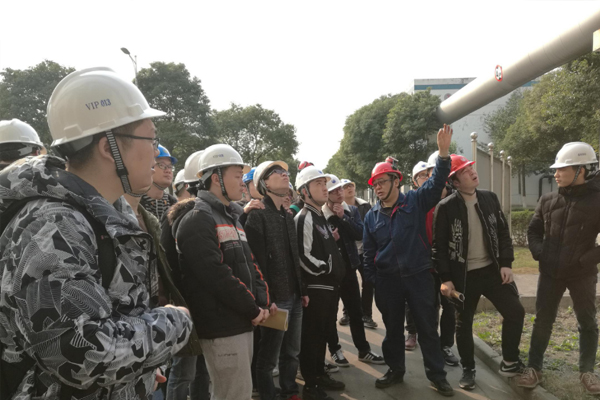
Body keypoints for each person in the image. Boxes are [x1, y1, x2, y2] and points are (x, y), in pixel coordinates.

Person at [0, 67, 192, 399]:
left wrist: (138, 369)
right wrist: (175, 322)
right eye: (151, 139)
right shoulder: (54, 225)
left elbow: (118, 320)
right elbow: (83, 355)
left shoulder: (105, 214)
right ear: (108, 147)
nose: (157, 153)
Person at [362, 125, 454, 397]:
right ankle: (395, 370)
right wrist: (375, 280)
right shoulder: (371, 217)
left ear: (395, 181)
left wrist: (443, 154)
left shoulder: (415, 202)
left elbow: (436, 184)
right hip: (387, 282)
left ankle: (437, 376)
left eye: (382, 182)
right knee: (392, 331)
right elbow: (368, 254)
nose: (378, 187)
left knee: (427, 329)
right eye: (375, 184)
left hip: (419, 276)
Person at [174, 144, 271, 400]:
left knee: (239, 392)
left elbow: (250, 262)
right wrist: (252, 308)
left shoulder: (231, 217)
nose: (243, 183)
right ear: (216, 178)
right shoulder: (198, 218)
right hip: (222, 326)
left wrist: (262, 301)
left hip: (241, 320)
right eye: (237, 176)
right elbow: (216, 276)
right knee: (232, 394)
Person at [432, 154, 524, 390]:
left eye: (471, 168)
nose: (472, 172)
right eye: (465, 171)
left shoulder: (489, 198)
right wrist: (446, 279)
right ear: (455, 182)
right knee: (464, 324)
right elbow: (439, 248)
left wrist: (506, 263)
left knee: (515, 311)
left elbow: (502, 233)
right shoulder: (445, 207)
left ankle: (510, 361)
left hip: (491, 271)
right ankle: (468, 369)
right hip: (463, 277)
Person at [517, 142, 600, 395]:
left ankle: (587, 371)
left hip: (582, 274)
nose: (556, 174)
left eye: (562, 169)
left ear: (581, 170)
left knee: (587, 322)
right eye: (556, 169)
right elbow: (533, 231)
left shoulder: (597, 201)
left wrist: (585, 261)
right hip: (550, 273)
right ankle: (534, 368)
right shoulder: (548, 200)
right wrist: (541, 254)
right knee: (543, 320)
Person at [245, 160, 308, 400]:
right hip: (275, 300)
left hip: (294, 295)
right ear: (265, 183)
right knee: (268, 356)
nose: (284, 174)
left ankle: (290, 391)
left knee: (292, 351)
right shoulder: (257, 215)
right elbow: (256, 263)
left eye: (284, 171)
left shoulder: (286, 215)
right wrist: (266, 298)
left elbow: (294, 257)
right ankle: (267, 395)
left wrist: (302, 290)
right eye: (276, 172)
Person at [161, 150, 210, 400]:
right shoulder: (175, 216)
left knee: (203, 369)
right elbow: (169, 265)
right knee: (184, 372)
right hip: (184, 304)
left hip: (203, 305)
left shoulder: (210, 214)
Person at [323, 175, 384, 368]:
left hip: (349, 268)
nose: (339, 193)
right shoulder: (321, 214)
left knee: (356, 311)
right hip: (330, 272)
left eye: (340, 189)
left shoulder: (352, 211)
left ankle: (363, 350)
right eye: (333, 191)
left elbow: (360, 233)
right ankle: (335, 350)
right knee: (330, 314)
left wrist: (344, 218)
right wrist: (330, 239)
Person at [295, 166, 345, 400]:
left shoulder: (319, 216)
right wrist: (327, 267)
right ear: (304, 191)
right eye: (318, 184)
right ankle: (310, 384)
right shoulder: (304, 217)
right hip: (316, 288)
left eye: (324, 183)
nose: (325, 188)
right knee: (312, 337)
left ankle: (319, 374)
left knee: (323, 333)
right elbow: (302, 256)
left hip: (329, 288)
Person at [404, 159, 459, 367]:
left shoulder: (451, 201)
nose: (428, 179)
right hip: (422, 264)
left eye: (431, 174)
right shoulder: (413, 203)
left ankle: (445, 346)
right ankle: (414, 333)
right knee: (424, 305)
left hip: (446, 265)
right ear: (415, 181)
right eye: (423, 176)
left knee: (449, 306)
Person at [339, 178, 377, 329]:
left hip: (365, 250)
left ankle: (367, 315)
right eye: (345, 187)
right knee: (348, 283)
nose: (349, 189)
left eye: (351, 186)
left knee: (368, 283)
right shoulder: (337, 207)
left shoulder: (365, 206)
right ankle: (347, 313)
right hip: (347, 252)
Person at [140, 144, 178, 220]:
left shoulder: (174, 204)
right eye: (162, 165)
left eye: (170, 166)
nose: (168, 170)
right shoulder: (135, 203)